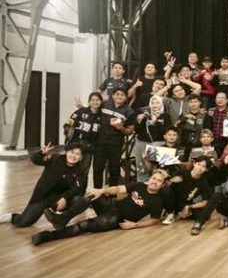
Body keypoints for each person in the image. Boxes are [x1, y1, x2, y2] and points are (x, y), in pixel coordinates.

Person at [31, 169, 168, 246]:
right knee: (92, 195)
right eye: (153, 178)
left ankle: (46, 236)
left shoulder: (157, 201)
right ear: (150, 178)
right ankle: (62, 219)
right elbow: (119, 189)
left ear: (162, 185)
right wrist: (101, 191)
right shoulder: (139, 185)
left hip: (117, 218)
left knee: (84, 225)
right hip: (111, 206)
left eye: (159, 181)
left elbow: (154, 219)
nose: (154, 182)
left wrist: (135, 225)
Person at [0, 143, 87, 228]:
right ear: (66, 152)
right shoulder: (55, 159)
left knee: (78, 199)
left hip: (60, 199)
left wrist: (65, 198)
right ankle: (11, 216)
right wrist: (41, 153)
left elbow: (76, 188)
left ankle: (62, 218)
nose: (73, 156)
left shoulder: (81, 171)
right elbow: (35, 160)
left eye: (77, 154)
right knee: (23, 222)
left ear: (81, 157)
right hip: (43, 197)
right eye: (72, 152)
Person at [94, 87, 135, 188]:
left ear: (126, 97)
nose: (119, 96)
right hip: (100, 142)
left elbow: (130, 130)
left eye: (122, 95)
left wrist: (121, 128)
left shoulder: (129, 111)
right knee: (98, 168)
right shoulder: (104, 104)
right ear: (112, 95)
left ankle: (112, 194)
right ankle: (97, 193)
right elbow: (92, 112)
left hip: (116, 143)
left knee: (114, 169)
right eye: (117, 94)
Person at [162, 156, 213, 227]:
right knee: (166, 190)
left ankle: (179, 214)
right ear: (194, 164)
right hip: (172, 200)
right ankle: (170, 213)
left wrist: (190, 207)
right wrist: (172, 181)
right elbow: (165, 184)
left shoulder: (204, 182)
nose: (200, 168)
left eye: (203, 166)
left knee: (206, 215)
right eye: (198, 164)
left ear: (206, 169)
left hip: (185, 204)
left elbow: (206, 201)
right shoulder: (181, 172)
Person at [63, 92, 102, 177]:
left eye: (97, 100)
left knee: (84, 171)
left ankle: (81, 186)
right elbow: (68, 123)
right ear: (89, 101)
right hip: (75, 144)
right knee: (69, 169)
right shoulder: (80, 112)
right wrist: (68, 131)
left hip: (89, 148)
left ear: (101, 102)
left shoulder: (102, 116)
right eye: (92, 100)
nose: (95, 102)